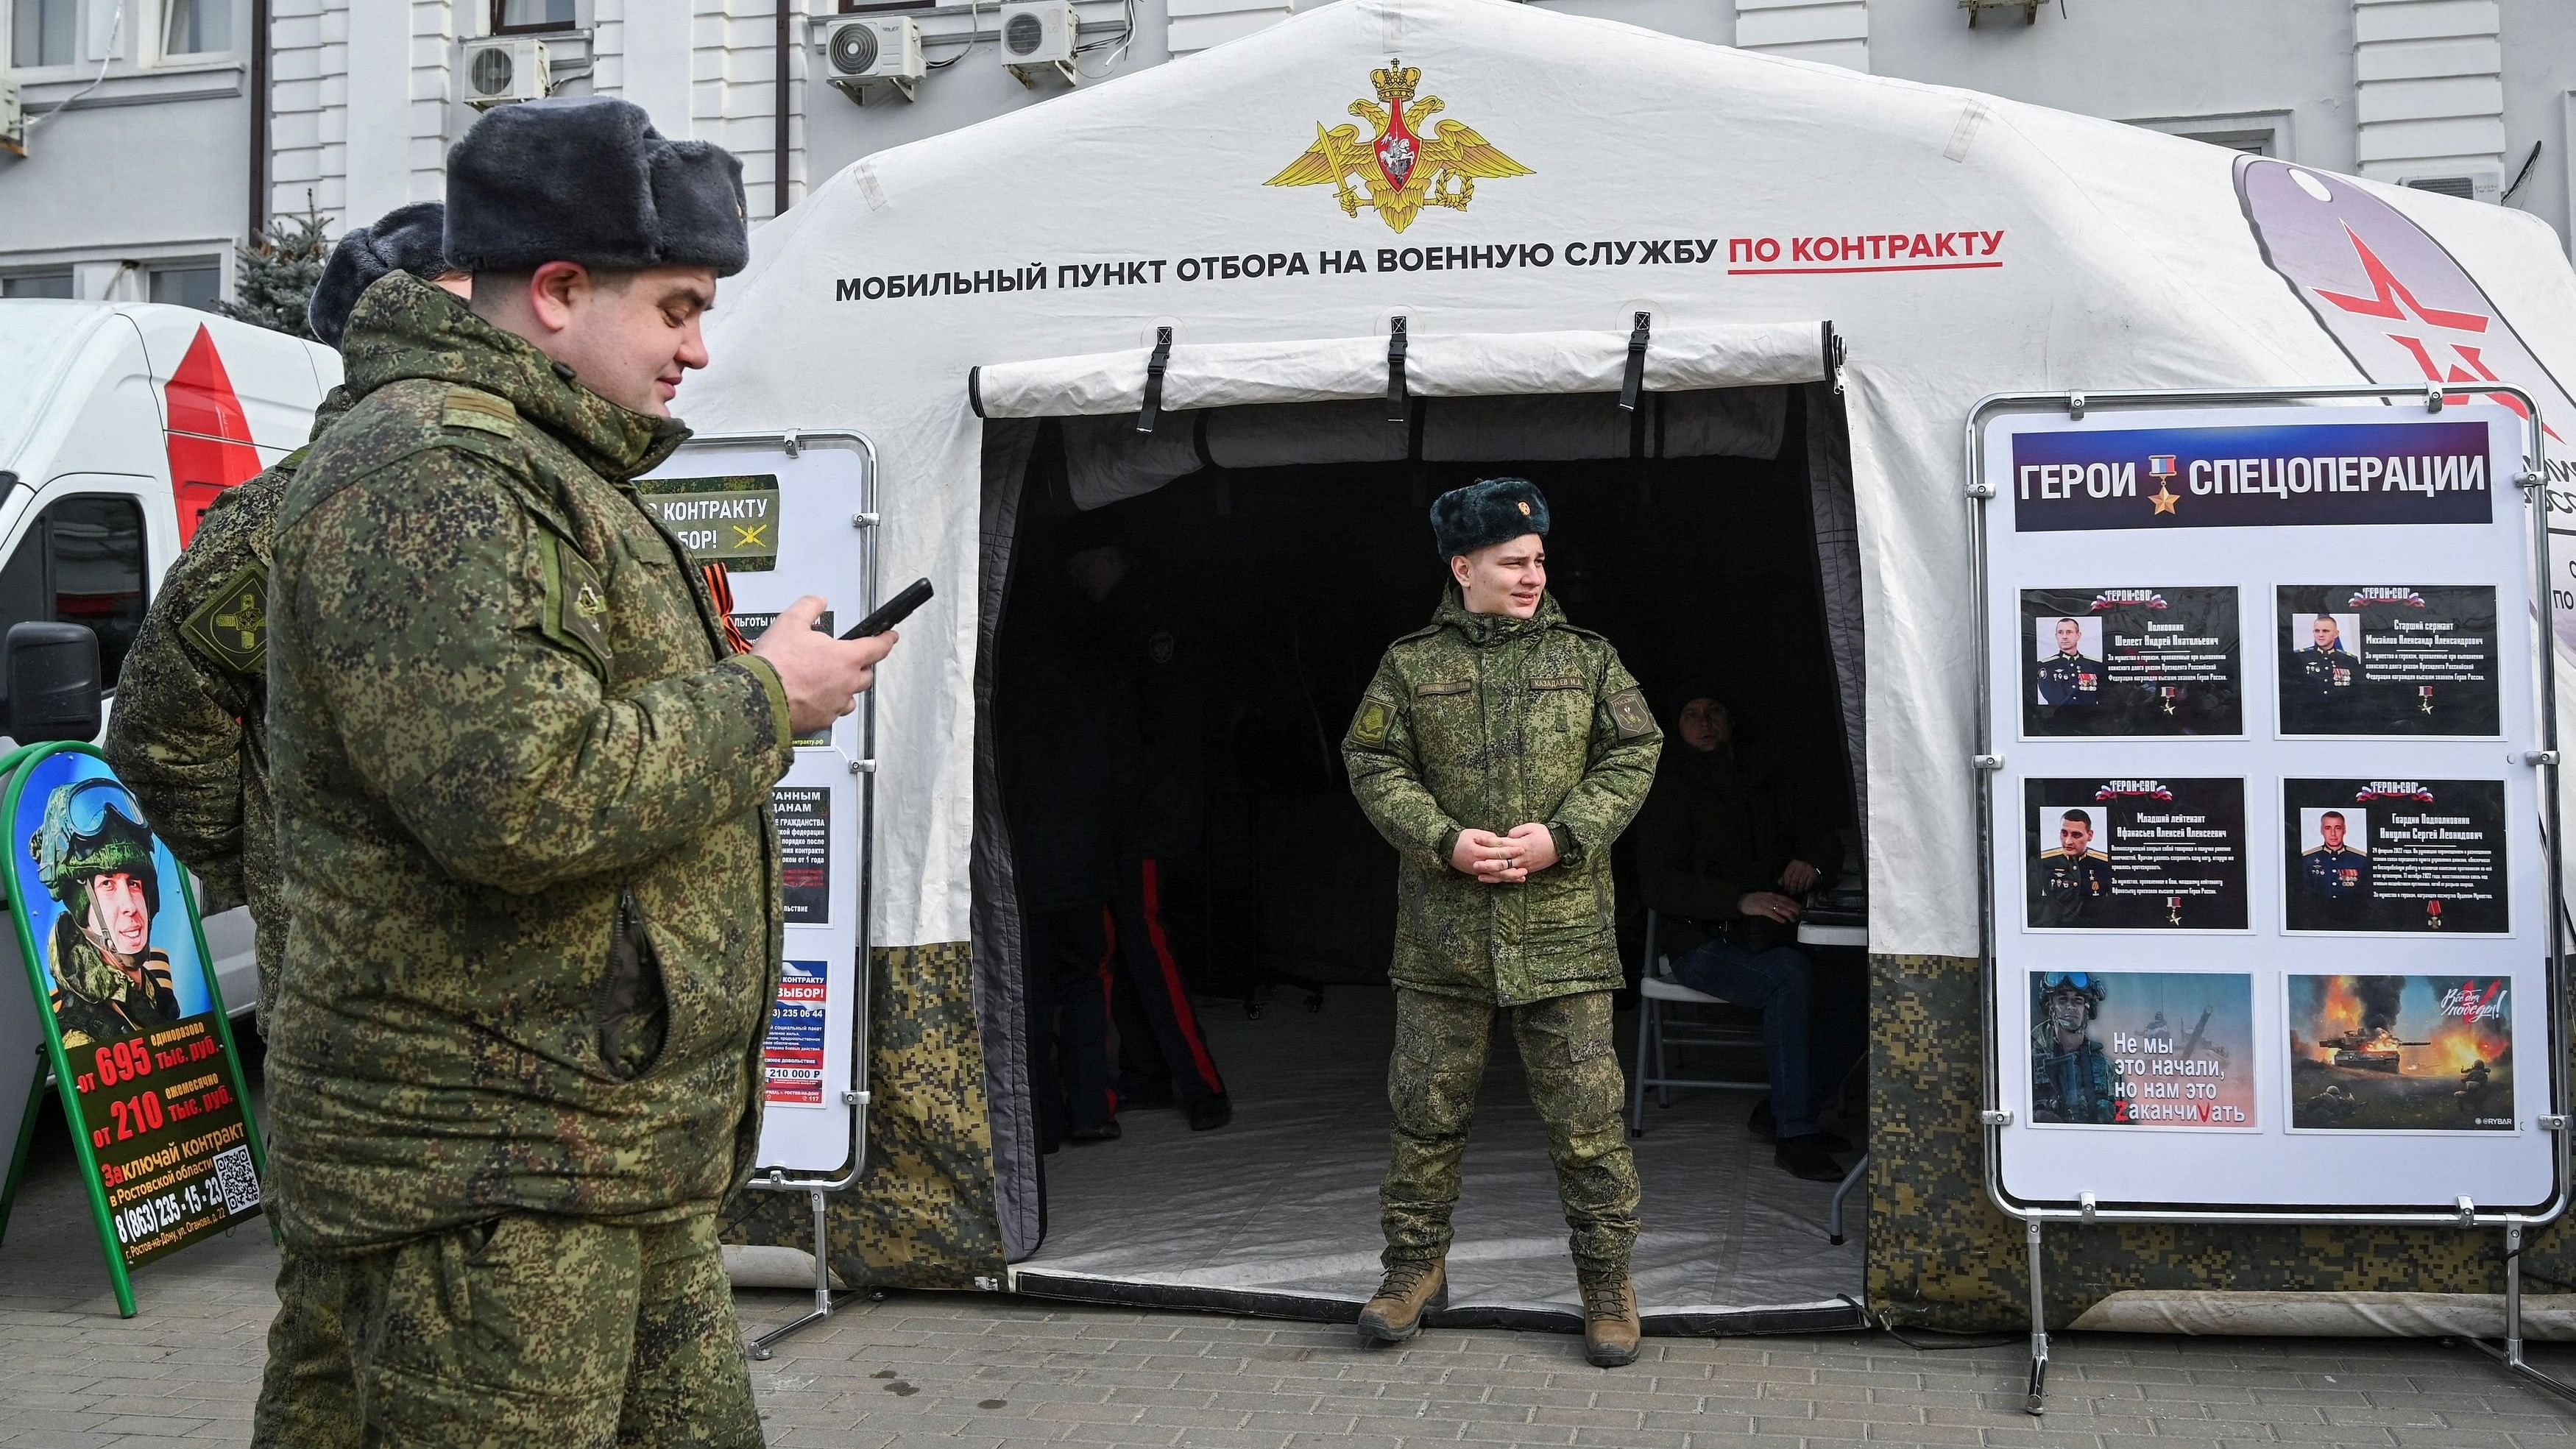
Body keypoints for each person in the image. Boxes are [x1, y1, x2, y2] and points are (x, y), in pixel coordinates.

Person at [261, 97, 894, 1441]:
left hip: (595, 1146)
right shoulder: (433, 469)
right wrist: (763, 699)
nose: (698, 348)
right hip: (487, 1173)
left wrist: (762, 693)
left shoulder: (541, 461)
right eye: (674, 307)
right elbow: (517, 794)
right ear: (557, 292)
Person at [103, 202, 467, 1449]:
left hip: (476, 1035)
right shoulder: (290, 513)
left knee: (339, 1341)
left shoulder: (500, 489)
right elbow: (159, 733)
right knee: (354, 1325)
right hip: (373, 1026)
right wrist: (273, 863)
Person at [1342, 478, 1661, 1369]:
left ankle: (1606, 1285)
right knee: (1424, 1115)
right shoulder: (1409, 665)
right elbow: (1370, 761)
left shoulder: (1589, 657)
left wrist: (1566, 836)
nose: (1532, 576)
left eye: (1538, 561)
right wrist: (1441, 841)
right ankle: (1411, 1271)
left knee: (1588, 1122)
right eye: (1514, 562)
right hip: (1443, 936)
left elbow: (1636, 748)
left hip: (1562, 936)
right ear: (1463, 566)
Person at [1632, 695, 1850, 1183]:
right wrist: (1739, 899)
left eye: (1714, 712)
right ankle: (1795, 1133)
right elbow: (1658, 884)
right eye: (1691, 714)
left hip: (1772, 933)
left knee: (1855, 983)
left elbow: (1822, 835)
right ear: (1676, 726)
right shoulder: (1668, 787)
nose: (1705, 723)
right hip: (1701, 942)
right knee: (1789, 978)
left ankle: (1785, 1106)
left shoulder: (1765, 779)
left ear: (1732, 720)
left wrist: (1811, 862)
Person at [1062, 539, 1231, 1133]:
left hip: (1142, 816)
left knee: (1145, 941)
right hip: (1122, 813)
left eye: (1083, 559)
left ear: (1113, 556)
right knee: (1120, 945)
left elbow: (1161, 733)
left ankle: (1200, 1081)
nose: (1077, 572)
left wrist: (1115, 794)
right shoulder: (1115, 621)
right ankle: (1150, 1073)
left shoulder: (1147, 622)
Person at [32, 779, 180, 1049]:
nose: (130, 906)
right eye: (107, 884)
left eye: (134, 883)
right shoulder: (81, 1035)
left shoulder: (154, 989)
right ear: (82, 907)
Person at [2030, 972, 2121, 1124]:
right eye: (2063, 1000)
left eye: (2078, 1001)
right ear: (2051, 1006)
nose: (2070, 1007)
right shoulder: (2028, 1060)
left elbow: (2124, 1118)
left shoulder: (2107, 1068)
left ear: (2087, 1010)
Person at [2034, 808, 2111, 927]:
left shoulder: (2103, 863)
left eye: (2076, 835)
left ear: (2090, 836)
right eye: (2064, 834)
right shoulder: (2046, 861)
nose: (2068, 841)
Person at [2300, 809, 2369, 927]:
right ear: (2322, 830)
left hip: (2352, 919)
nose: (2333, 833)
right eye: (2328, 828)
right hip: (2317, 919)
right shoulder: (2308, 859)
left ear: (2344, 830)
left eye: (2338, 828)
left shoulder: (2360, 859)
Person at [2034, 617, 2103, 707]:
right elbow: (2052, 697)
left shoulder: (2095, 665)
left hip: (2090, 717)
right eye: (2060, 632)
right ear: (2056, 636)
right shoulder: (2046, 666)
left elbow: (2103, 697)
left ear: (2079, 635)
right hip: (2059, 717)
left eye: (2069, 632)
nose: (2064, 636)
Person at [2296, 614, 2358, 705]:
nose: (2320, 635)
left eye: (2325, 631)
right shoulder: (2300, 657)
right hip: (2308, 714)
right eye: (2317, 631)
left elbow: (2356, 695)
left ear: (2336, 634)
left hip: (2340, 714)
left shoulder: (2349, 660)